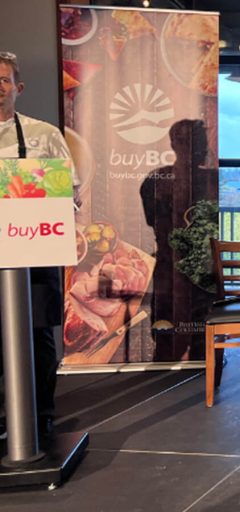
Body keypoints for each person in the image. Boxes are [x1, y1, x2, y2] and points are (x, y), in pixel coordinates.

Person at [0, 50, 79, 440]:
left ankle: (40, 413)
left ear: (19, 88)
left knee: (37, 334)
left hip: (33, 251)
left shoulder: (43, 134)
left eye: (3, 80)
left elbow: (71, 191)